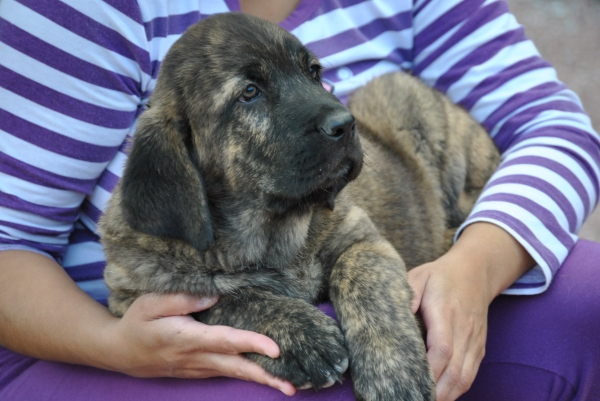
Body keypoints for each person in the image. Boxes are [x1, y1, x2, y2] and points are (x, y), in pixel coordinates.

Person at [0, 0, 598, 400]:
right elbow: (9, 244)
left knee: (588, 296)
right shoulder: (84, 15)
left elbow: (555, 127)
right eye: (252, 94)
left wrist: (473, 268)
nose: (334, 116)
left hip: (401, 277)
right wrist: (115, 345)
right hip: (119, 357)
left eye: (315, 77)